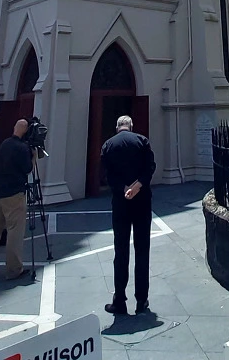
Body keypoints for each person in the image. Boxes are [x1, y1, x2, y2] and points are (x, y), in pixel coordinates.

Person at [100, 115, 157, 316]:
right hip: (142, 201)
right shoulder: (142, 141)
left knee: (121, 251)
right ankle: (141, 300)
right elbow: (150, 167)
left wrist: (124, 188)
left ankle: (120, 300)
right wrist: (137, 186)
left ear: (117, 127)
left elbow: (107, 175)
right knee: (142, 250)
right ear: (131, 126)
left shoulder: (108, 145)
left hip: (121, 202)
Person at [0, 118, 33, 280]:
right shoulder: (22, 148)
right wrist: (33, 155)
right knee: (14, 231)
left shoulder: (5, 144)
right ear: (26, 131)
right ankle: (14, 269)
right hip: (13, 194)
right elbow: (28, 169)